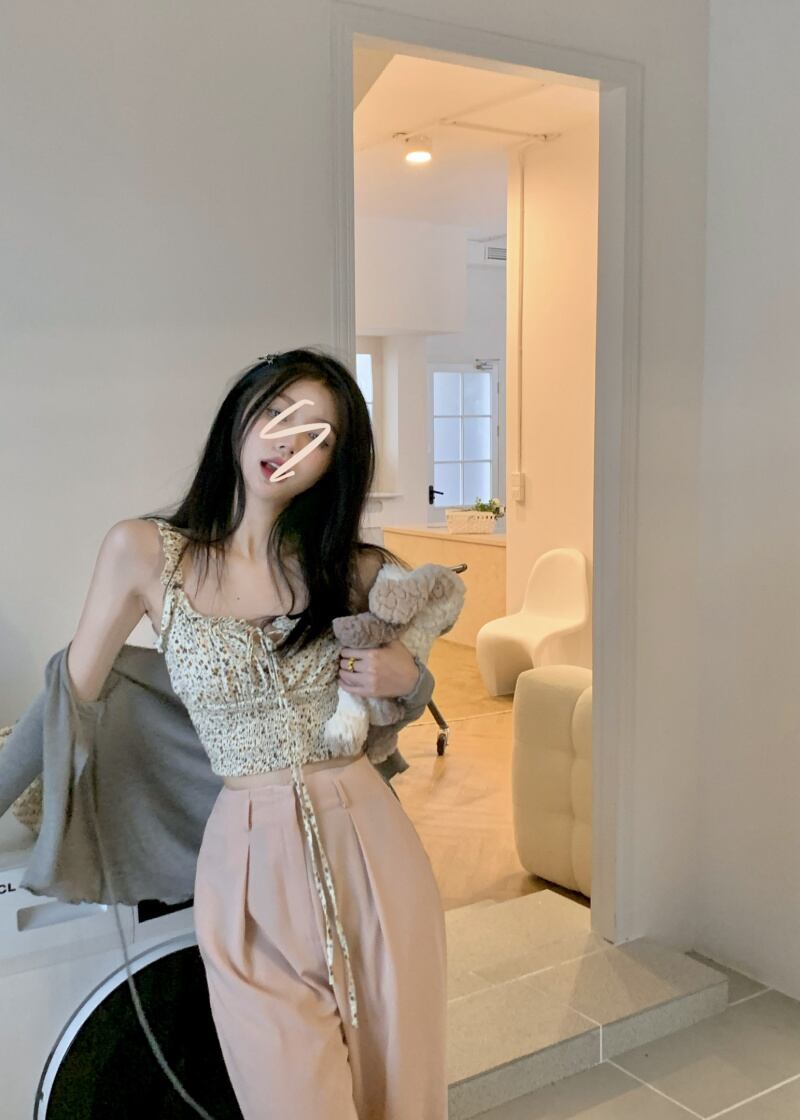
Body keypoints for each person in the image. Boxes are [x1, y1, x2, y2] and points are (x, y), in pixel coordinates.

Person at [64, 348, 449, 1120]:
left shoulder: (355, 570)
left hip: (372, 846)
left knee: (402, 1093)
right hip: (246, 862)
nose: (290, 443)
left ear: (335, 465)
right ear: (240, 413)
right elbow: (72, 701)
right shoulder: (144, 553)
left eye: (319, 437)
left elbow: (400, 701)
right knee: (289, 1096)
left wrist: (410, 681)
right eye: (278, 413)